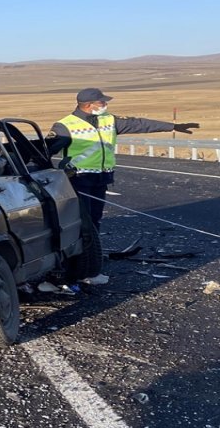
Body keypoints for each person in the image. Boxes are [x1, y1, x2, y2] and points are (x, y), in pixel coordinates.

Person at [47, 87, 198, 285]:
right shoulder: (65, 126)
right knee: (82, 226)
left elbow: (139, 124)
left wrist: (173, 126)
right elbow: (46, 149)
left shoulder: (109, 120)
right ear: (88, 105)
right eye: (101, 102)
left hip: (101, 178)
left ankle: (90, 264)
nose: (105, 104)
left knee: (94, 222)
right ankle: (76, 270)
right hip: (78, 180)